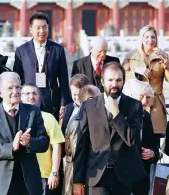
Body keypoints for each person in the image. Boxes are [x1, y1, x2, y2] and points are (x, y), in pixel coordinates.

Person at [73, 62, 145, 195]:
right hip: (96, 176)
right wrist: (77, 180)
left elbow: (132, 139)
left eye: (118, 80)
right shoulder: (88, 106)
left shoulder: (135, 106)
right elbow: (81, 145)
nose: (114, 84)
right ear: (102, 81)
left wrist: (117, 115)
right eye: (110, 80)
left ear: (123, 81)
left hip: (123, 177)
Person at [0, 72, 49, 195]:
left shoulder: (33, 111)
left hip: (29, 183)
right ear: (0, 93)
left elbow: (44, 142)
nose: (15, 91)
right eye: (10, 88)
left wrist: (29, 142)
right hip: (0, 184)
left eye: (18, 87)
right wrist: (12, 147)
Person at [14, 12, 70, 120]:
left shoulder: (57, 50)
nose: (42, 31)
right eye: (38, 28)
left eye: (45, 27)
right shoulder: (21, 51)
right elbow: (17, 78)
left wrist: (64, 103)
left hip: (51, 102)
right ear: (31, 29)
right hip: (28, 101)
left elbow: (63, 79)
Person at [122, 25, 169, 135]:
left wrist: (167, 64)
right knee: (134, 136)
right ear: (141, 38)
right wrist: (135, 71)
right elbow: (122, 76)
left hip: (156, 104)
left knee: (154, 141)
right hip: (135, 102)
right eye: (146, 37)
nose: (150, 40)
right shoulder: (130, 56)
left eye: (153, 37)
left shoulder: (162, 56)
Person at [21, 84, 64, 195]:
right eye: (27, 93)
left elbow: (56, 145)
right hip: (22, 175)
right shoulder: (15, 117)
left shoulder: (48, 117)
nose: (31, 96)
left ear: (39, 97)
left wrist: (54, 172)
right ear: (20, 96)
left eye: (34, 93)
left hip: (44, 176)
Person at [122, 79, 159, 195]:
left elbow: (155, 145)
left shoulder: (146, 116)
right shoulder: (120, 116)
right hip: (123, 176)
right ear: (130, 96)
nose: (145, 101)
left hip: (142, 176)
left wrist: (152, 153)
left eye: (148, 97)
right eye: (141, 96)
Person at [64, 85, 101, 195]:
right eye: (99, 97)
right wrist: (78, 181)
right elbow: (77, 153)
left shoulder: (87, 118)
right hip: (77, 177)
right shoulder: (78, 122)